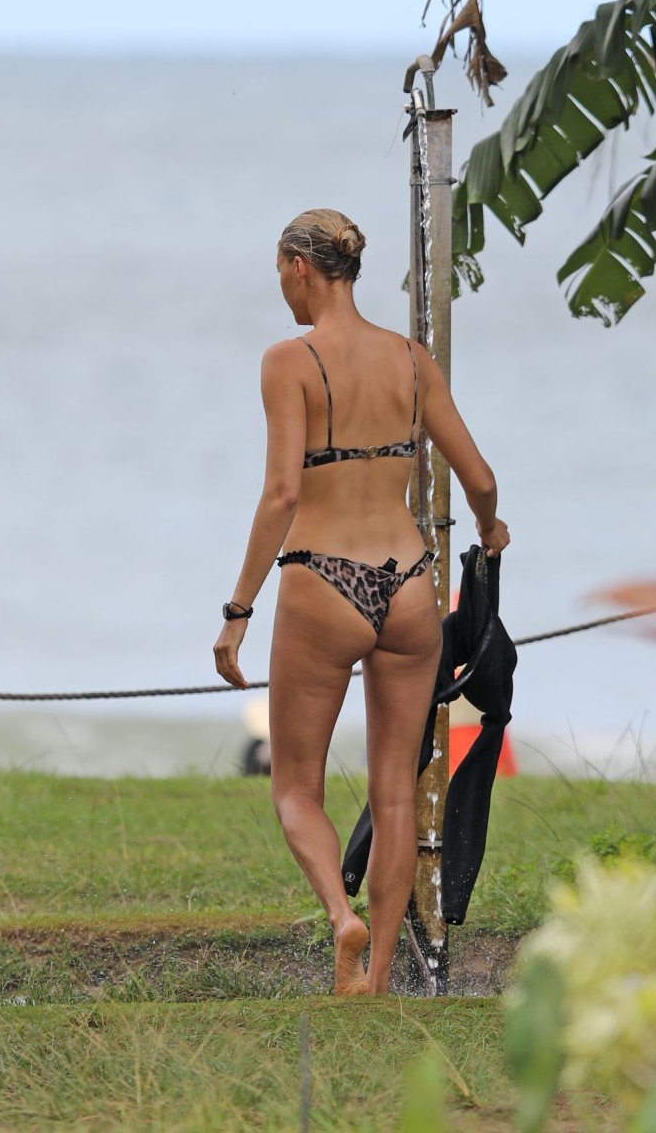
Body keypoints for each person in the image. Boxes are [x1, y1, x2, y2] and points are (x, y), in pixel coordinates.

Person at [213, 208, 509, 996]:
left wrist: (238, 610)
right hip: (408, 581)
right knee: (395, 793)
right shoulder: (411, 360)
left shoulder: (289, 361)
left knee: (295, 788)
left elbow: (282, 495)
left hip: (323, 578)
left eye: (280, 274)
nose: (282, 288)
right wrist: (488, 528)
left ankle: (340, 919)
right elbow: (479, 478)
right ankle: (376, 977)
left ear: (298, 267)